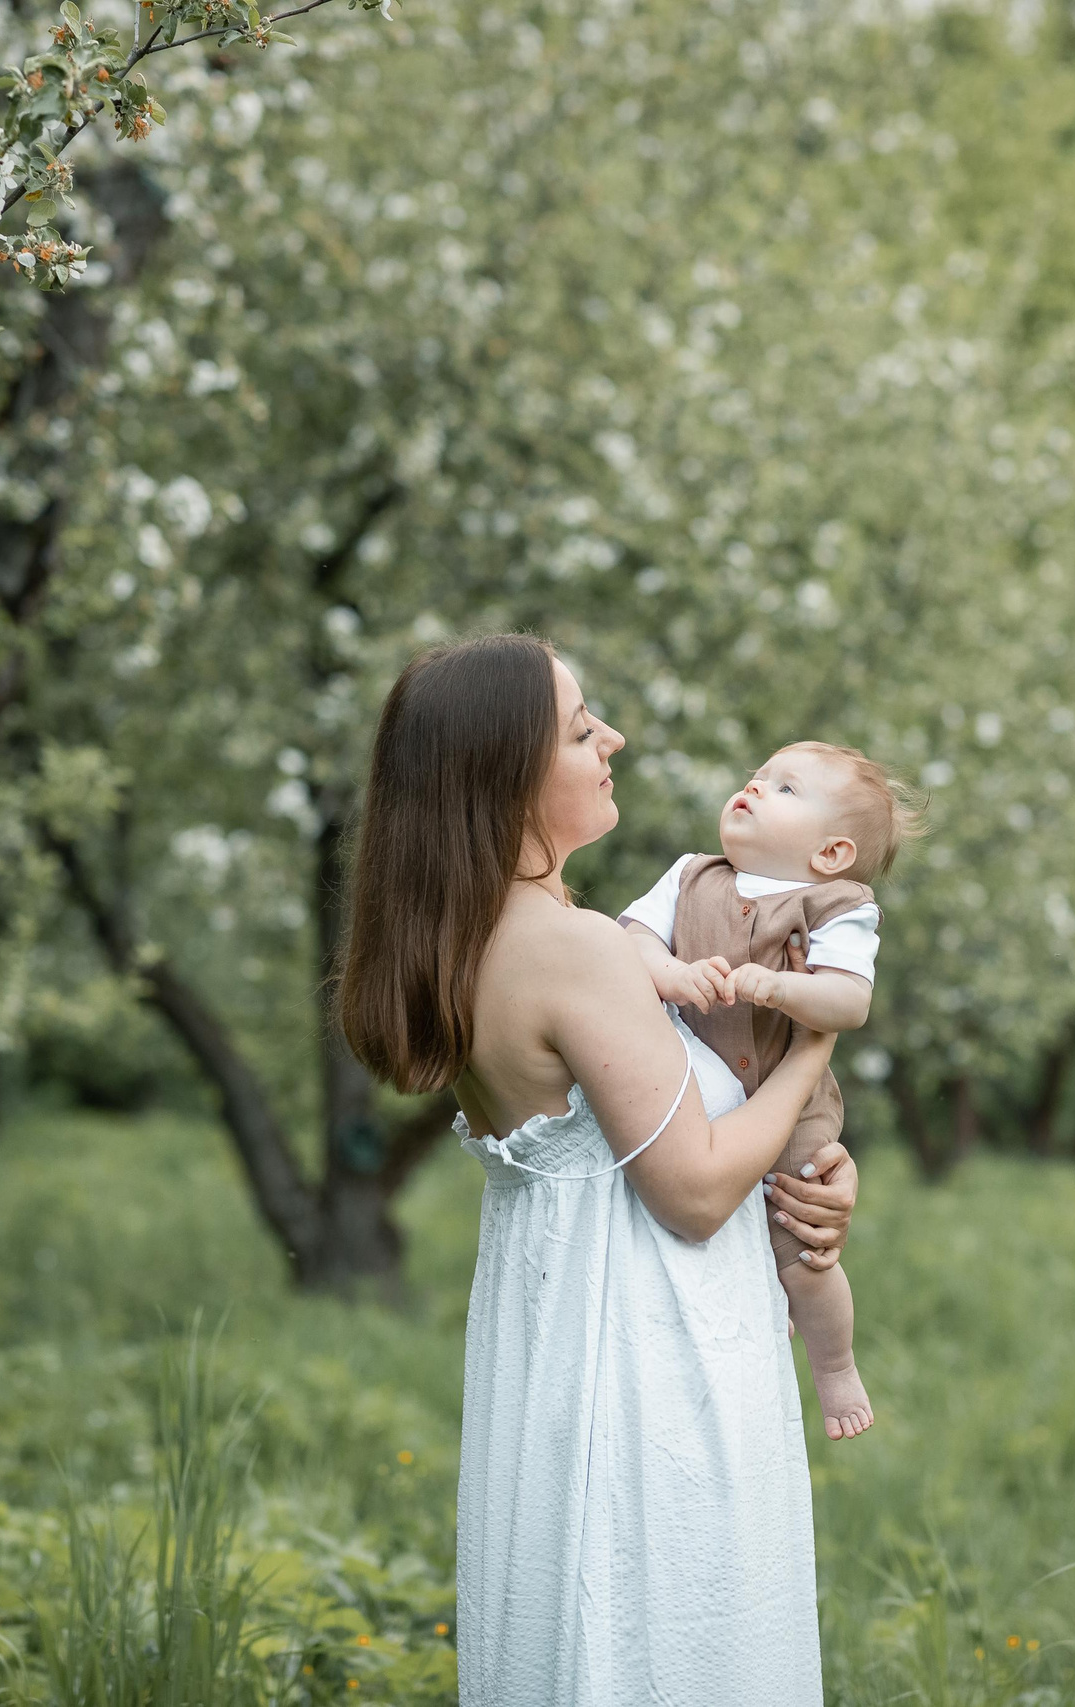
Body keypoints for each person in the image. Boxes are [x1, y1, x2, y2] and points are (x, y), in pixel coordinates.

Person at [338, 634, 856, 1706]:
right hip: (648, 1375)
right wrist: (811, 1051)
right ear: (506, 777)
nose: (610, 738)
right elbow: (697, 1190)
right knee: (664, 1645)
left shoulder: (488, 937)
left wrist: (809, 1174)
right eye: (581, 730)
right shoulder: (569, 949)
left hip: (568, 1346)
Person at [620, 741, 921, 1444]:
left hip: (794, 1108)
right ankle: (754, 1292)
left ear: (830, 853)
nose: (753, 788)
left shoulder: (839, 905)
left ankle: (835, 1365)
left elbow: (848, 1001)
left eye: (785, 789)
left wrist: (783, 987)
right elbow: (629, 938)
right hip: (688, 1096)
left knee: (804, 1244)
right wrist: (666, 972)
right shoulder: (689, 876)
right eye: (756, 777)